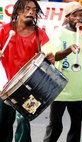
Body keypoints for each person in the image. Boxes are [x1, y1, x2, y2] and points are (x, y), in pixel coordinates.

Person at [0, 0, 54, 142]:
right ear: (18, 11)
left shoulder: (40, 34)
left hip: (28, 87)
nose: (31, 12)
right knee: (3, 124)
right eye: (27, 8)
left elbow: (49, 52)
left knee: (23, 123)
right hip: (4, 85)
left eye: (34, 10)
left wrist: (50, 56)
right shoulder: (5, 30)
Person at [43, 2, 82, 142]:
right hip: (60, 87)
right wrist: (69, 49)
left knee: (76, 127)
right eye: (75, 15)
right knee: (55, 125)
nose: (78, 18)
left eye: (81, 15)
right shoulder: (59, 32)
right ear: (68, 16)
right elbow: (56, 56)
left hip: (78, 89)